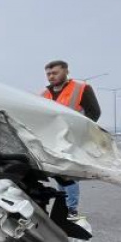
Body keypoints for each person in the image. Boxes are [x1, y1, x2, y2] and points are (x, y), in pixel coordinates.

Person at [41, 59, 101, 217]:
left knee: (69, 173)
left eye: (55, 73)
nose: (51, 76)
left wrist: (79, 132)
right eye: (48, 74)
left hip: (73, 138)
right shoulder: (45, 94)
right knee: (60, 173)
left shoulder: (81, 88)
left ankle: (70, 209)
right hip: (53, 140)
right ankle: (64, 206)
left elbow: (94, 112)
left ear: (66, 71)